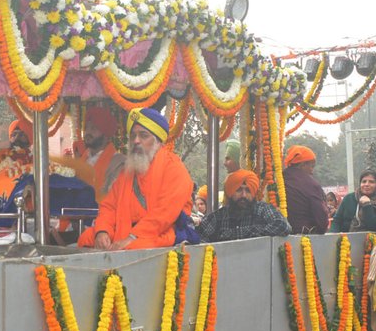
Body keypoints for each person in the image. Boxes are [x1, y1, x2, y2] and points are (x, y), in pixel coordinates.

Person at [78, 107, 194, 251]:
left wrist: (133, 237)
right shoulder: (128, 172)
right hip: (125, 230)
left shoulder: (175, 169)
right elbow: (109, 206)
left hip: (158, 232)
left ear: (158, 141)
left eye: (143, 135)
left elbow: (164, 215)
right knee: (87, 237)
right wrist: (103, 231)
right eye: (133, 136)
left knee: (135, 246)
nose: (136, 140)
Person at [195, 170, 291, 242]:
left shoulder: (262, 210)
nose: (244, 195)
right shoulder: (219, 216)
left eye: (248, 191)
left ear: (254, 193)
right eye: (239, 190)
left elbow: (283, 226)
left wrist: (236, 234)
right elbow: (198, 236)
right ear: (231, 192)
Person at [49, 110, 120, 202]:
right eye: (86, 128)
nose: (87, 132)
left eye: (93, 129)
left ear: (106, 135)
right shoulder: (83, 158)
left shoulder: (118, 163)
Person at [282, 145, 329, 235]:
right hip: (305, 237)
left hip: (279, 236)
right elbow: (322, 221)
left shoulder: (279, 179)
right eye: (311, 166)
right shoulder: (311, 184)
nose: (312, 171)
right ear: (302, 165)